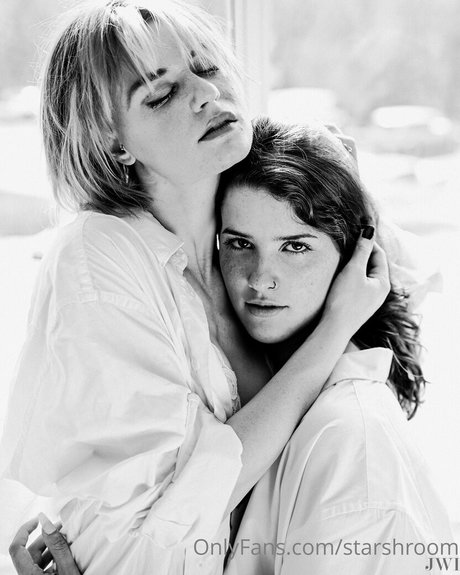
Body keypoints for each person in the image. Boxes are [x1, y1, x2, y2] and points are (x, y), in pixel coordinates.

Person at [0, 1, 393, 574]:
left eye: (206, 66)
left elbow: (394, 320)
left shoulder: (251, 217)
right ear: (113, 141)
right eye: (160, 94)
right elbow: (171, 520)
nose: (206, 94)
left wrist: (345, 190)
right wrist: (334, 328)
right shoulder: (98, 257)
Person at [217, 118, 453, 574]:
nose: (260, 278)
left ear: (353, 260)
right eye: (240, 243)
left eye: (295, 247)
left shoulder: (351, 445)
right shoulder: (266, 401)